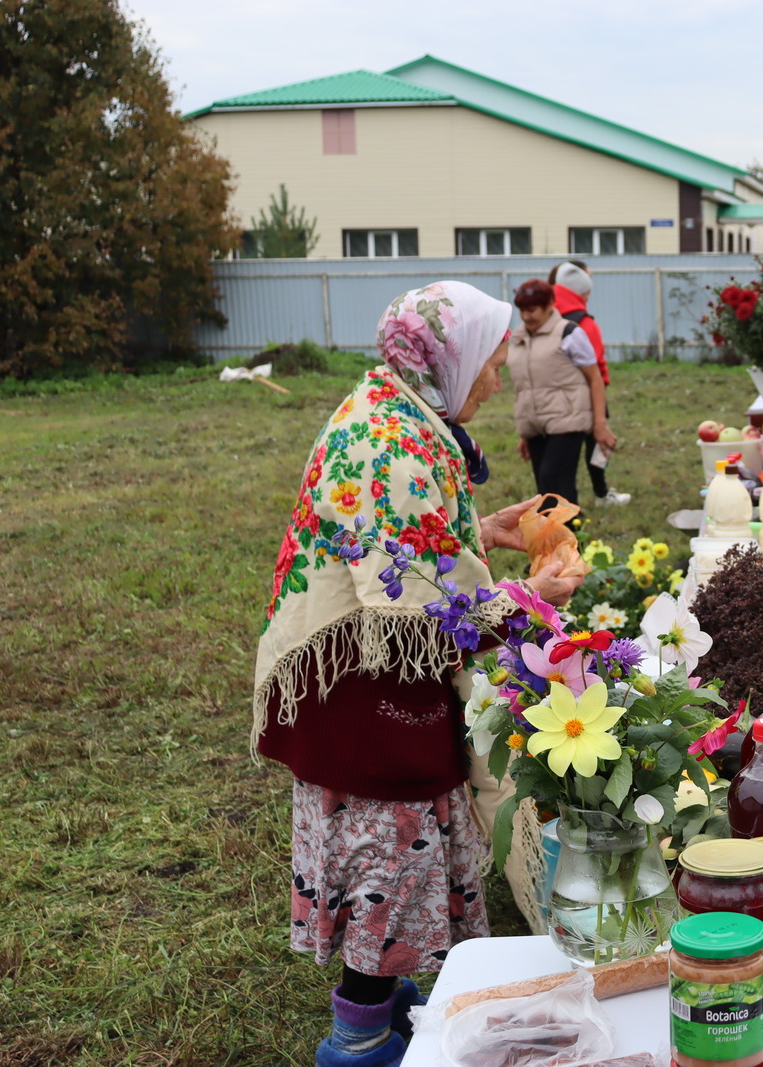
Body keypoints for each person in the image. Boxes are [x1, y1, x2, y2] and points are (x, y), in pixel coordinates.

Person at [252, 280, 581, 1066]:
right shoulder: (392, 447)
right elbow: (430, 607)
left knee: (392, 863)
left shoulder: (393, 409)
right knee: (388, 867)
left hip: (357, 682)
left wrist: (485, 530)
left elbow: (418, 541)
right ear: (450, 357)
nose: (497, 381)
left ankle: (387, 996)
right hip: (367, 702)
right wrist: (528, 599)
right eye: (492, 363)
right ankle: (359, 1037)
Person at [509, 278, 616, 506]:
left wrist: (599, 423)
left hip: (568, 420)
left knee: (554, 479)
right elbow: (526, 387)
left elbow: (595, 378)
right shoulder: (518, 337)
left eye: (532, 310)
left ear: (549, 305)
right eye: (522, 311)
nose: (526, 316)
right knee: (544, 487)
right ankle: (556, 538)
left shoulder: (569, 333)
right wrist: (525, 432)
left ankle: (569, 537)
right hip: (537, 424)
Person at [549, 260, 631, 506]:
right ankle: (601, 492)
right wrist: (599, 413)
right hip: (586, 398)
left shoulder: (548, 321)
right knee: (597, 444)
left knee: (564, 457)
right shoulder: (584, 324)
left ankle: (567, 498)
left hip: (554, 400)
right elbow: (596, 369)